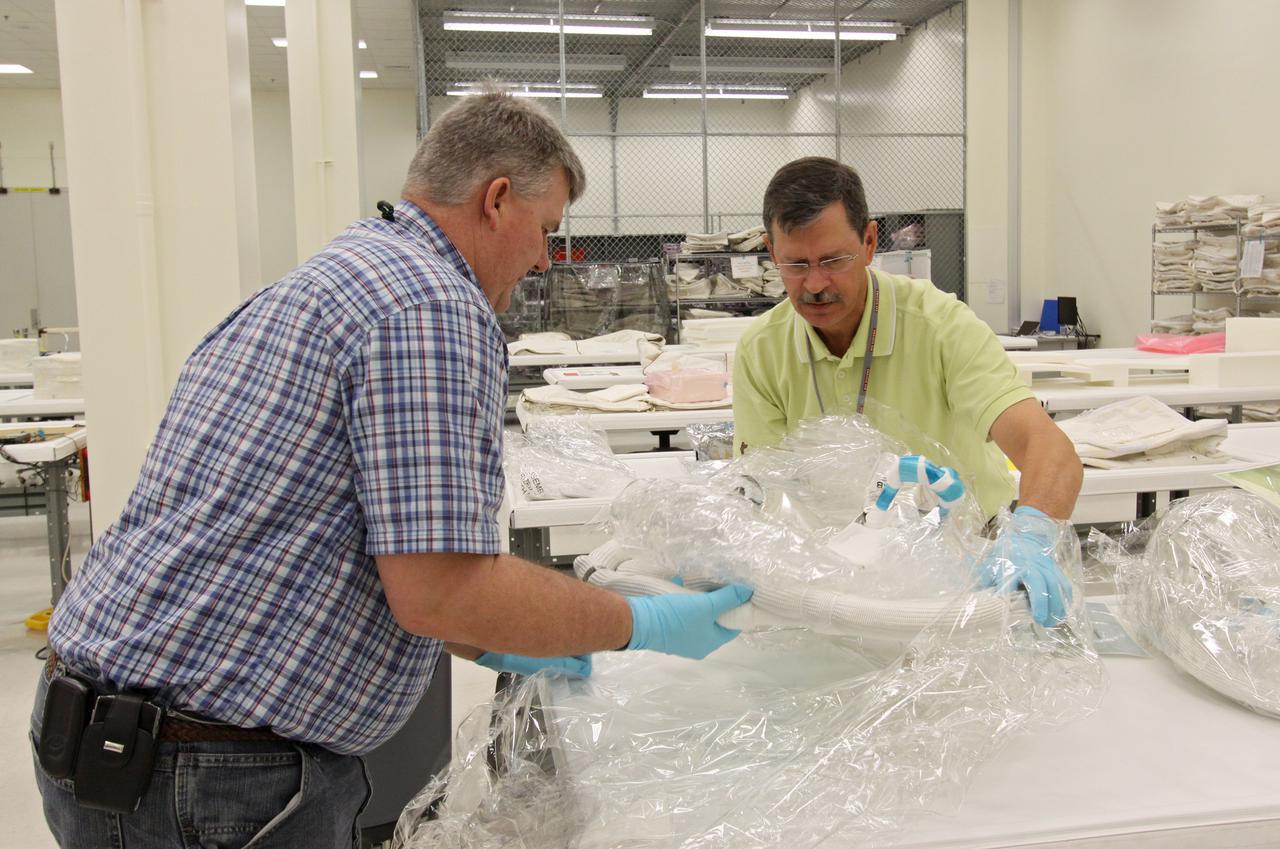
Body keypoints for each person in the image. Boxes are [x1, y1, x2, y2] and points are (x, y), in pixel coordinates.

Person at [32, 91, 751, 848]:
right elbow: (442, 590)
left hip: (109, 741)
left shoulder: (338, 275)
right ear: (497, 200)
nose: (546, 258)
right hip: (211, 776)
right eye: (545, 230)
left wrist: (505, 634)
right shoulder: (432, 308)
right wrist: (640, 623)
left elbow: (322, 538)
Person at [733, 157, 1082, 627]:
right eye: (795, 265)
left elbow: (1048, 449)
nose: (814, 285)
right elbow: (762, 491)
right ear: (771, 252)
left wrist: (1032, 536)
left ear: (871, 242)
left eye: (833, 261)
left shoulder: (940, 326)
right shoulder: (761, 350)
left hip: (967, 563)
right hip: (837, 572)